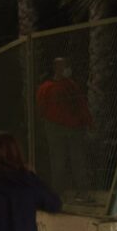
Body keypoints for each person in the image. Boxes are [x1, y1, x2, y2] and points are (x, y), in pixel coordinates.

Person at [36, 57, 92, 201]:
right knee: (72, 160)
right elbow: (80, 105)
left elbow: (42, 110)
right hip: (69, 127)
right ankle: (77, 192)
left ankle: (61, 192)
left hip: (59, 128)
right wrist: (86, 121)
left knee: (61, 160)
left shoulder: (48, 88)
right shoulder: (64, 86)